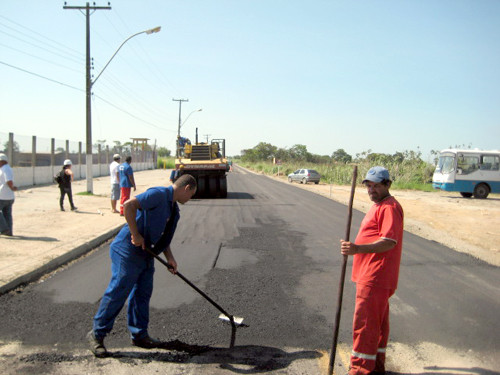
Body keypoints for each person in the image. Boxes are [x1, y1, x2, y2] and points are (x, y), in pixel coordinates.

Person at [87, 174, 197, 358]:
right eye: (191, 195)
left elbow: (162, 236)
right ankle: (96, 335)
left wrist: (170, 258)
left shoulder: (173, 209)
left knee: (142, 293)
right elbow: (129, 205)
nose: (190, 199)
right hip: (127, 250)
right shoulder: (159, 194)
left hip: (146, 253)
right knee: (118, 291)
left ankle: (139, 335)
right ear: (186, 188)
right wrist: (135, 234)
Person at [340, 166, 404, 375]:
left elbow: (389, 241)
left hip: (375, 276)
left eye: (377, 185)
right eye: (369, 185)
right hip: (374, 275)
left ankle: (360, 370)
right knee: (377, 325)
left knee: (365, 325)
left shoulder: (389, 207)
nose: (372, 190)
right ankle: (375, 366)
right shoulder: (379, 205)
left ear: (388, 185)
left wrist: (358, 249)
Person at [0, 153, 18, 236]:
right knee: (7, 214)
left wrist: (12, 188)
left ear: (2, 161)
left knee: (6, 214)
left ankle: (4, 229)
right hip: (9, 196)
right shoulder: (6, 168)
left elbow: (9, 181)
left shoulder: (5, 169)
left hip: (3, 196)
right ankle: (9, 231)